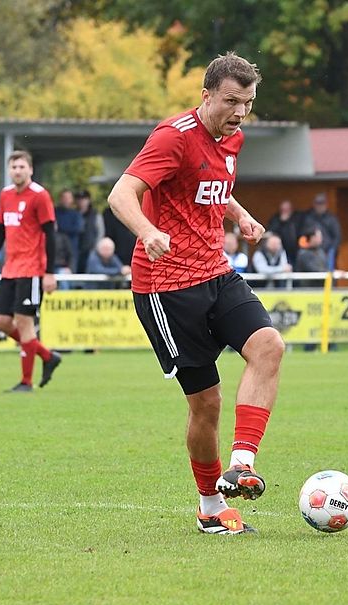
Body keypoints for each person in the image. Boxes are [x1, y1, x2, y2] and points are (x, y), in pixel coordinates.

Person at [107, 51, 284, 536]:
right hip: (165, 286)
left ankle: (242, 465)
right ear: (206, 96)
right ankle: (210, 507)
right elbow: (121, 194)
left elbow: (214, 188)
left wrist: (240, 215)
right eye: (231, 101)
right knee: (205, 403)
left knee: (269, 345)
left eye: (247, 102)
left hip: (215, 272)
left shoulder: (234, 137)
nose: (240, 112)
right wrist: (147, 231)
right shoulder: (173, 137)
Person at [0, 150, 62, 393]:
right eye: (14, 167)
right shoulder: (5, 195)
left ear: (30, 169)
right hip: (10, 269)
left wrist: (49, 272)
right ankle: (47, 356)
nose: (17, 171)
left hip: (32, 270)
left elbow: (50, 235)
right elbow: (0, 232)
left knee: (25, 323)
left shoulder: (39, 196)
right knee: (1, 321)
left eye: (22, 167)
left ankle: (26, 382)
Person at [310, 193, 342, 270]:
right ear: (314, 205)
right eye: (318, 203)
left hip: (328, 252)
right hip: (312, 252)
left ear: (326, 204)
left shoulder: (332, 219)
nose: (320, 206)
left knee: (329, 275)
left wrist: (332, 250)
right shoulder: (309, 218)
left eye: (322, 203)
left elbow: (337, 237)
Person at [77, 190, 104, 273]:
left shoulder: (96, 215)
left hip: (91, 249)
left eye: (84, 199)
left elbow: (101, 232)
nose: (82, 201)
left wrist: (96, 247)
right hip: (76, 249)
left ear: (88, 200)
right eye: (79, 199)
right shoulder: (74, 214)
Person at [266, 199, 301, 264]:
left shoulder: (297, 218)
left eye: (287, 210)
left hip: (295, 249)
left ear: (291, 209)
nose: (285, 212)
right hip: (280, 249)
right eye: (283, 210)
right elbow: (271, 231)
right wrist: (281, 222)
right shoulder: (276, 219)